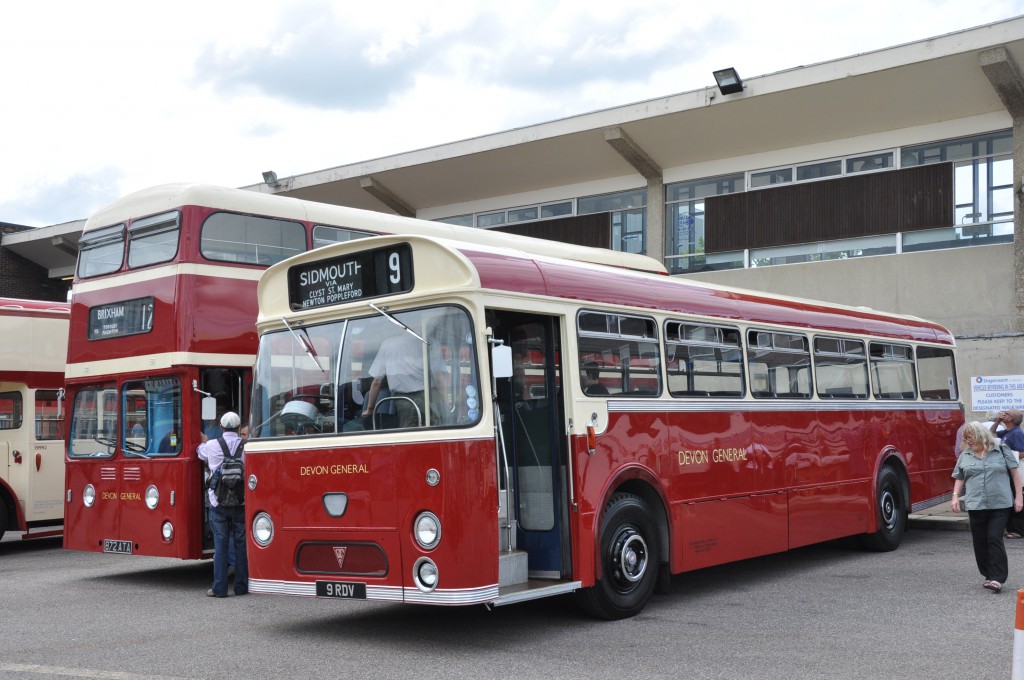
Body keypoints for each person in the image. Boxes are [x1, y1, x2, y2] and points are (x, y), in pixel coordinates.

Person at [951, 421, 1023, 593]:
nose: (968, 441)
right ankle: (988, 574)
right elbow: (959, 477)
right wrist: (955, 497)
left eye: (970, 437)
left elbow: (1015, 474)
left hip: (1000, 503)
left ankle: (998, 578)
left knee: (994, 537)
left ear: (980, 435)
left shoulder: (1001, 449)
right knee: (980, 541)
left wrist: (1019, 498)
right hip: (976, 504)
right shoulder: (965, 455)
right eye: (966, 438)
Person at [196, 411, 248, 598]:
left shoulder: (211, 445)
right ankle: (242, 587)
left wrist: (203, 440)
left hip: (218, 503)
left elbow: (199, 454)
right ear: (238, 427)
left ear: (221, 427)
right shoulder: (246, 447)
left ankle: (219, 588)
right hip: (241, 503)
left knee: (221, 545)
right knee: (241, 545)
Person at [362, 331, 443, 428]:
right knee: (434, 429)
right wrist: (446, 405)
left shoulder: (388, 344)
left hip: (404, 401)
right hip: (429, 398)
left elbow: (377, 381)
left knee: (408, 432)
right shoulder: (429, 342)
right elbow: (439, 378)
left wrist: (370, 408)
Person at [994, 410, 1024, 538]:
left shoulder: (1017, 433)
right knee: (1010, 497)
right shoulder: (1007, 432)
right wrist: (997, 421)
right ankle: (1010, 527)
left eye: (1006, 414)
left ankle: (1018, 530)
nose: (1003, 414)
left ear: (1012, 419)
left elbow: (1022, 452)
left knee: (1017, 497)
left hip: (1017, 470)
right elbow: (991, 434)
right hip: (1008, 470)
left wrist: (1008, 456)